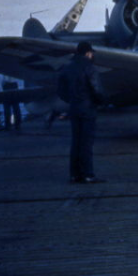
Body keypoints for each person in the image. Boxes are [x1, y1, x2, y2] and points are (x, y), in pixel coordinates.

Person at [57, 41, 106, 183]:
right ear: (87, 53)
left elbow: (60, 91)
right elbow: (97, 89)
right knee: (87, 143)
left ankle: (74, 174)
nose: (92, 55)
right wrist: (101, 102)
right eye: (91, 53)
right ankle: (88, 174)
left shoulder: (67, 68)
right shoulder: (90, 68)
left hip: (74, 108)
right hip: (88, 109)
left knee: (76, 142)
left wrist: (72, 100)